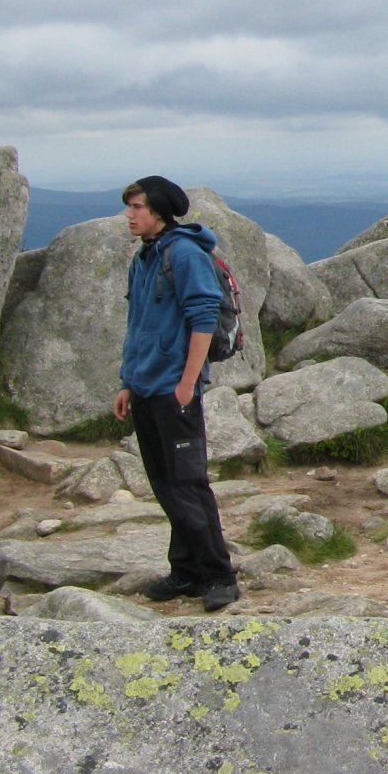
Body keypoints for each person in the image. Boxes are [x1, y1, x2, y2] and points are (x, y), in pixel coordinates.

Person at [115, 175, 239, 610]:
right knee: (165, 483)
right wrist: (127, 382)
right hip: (147, 386)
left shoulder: (185, 254)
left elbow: (203, 318)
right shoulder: (146, 257)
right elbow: (139, 325)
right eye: (129, 207)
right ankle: (185, 570)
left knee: (188, 483)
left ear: (161, 213)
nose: (130, 215)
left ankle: (218, 575)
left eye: (137, 208)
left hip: (174, 389)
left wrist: (187, 384)